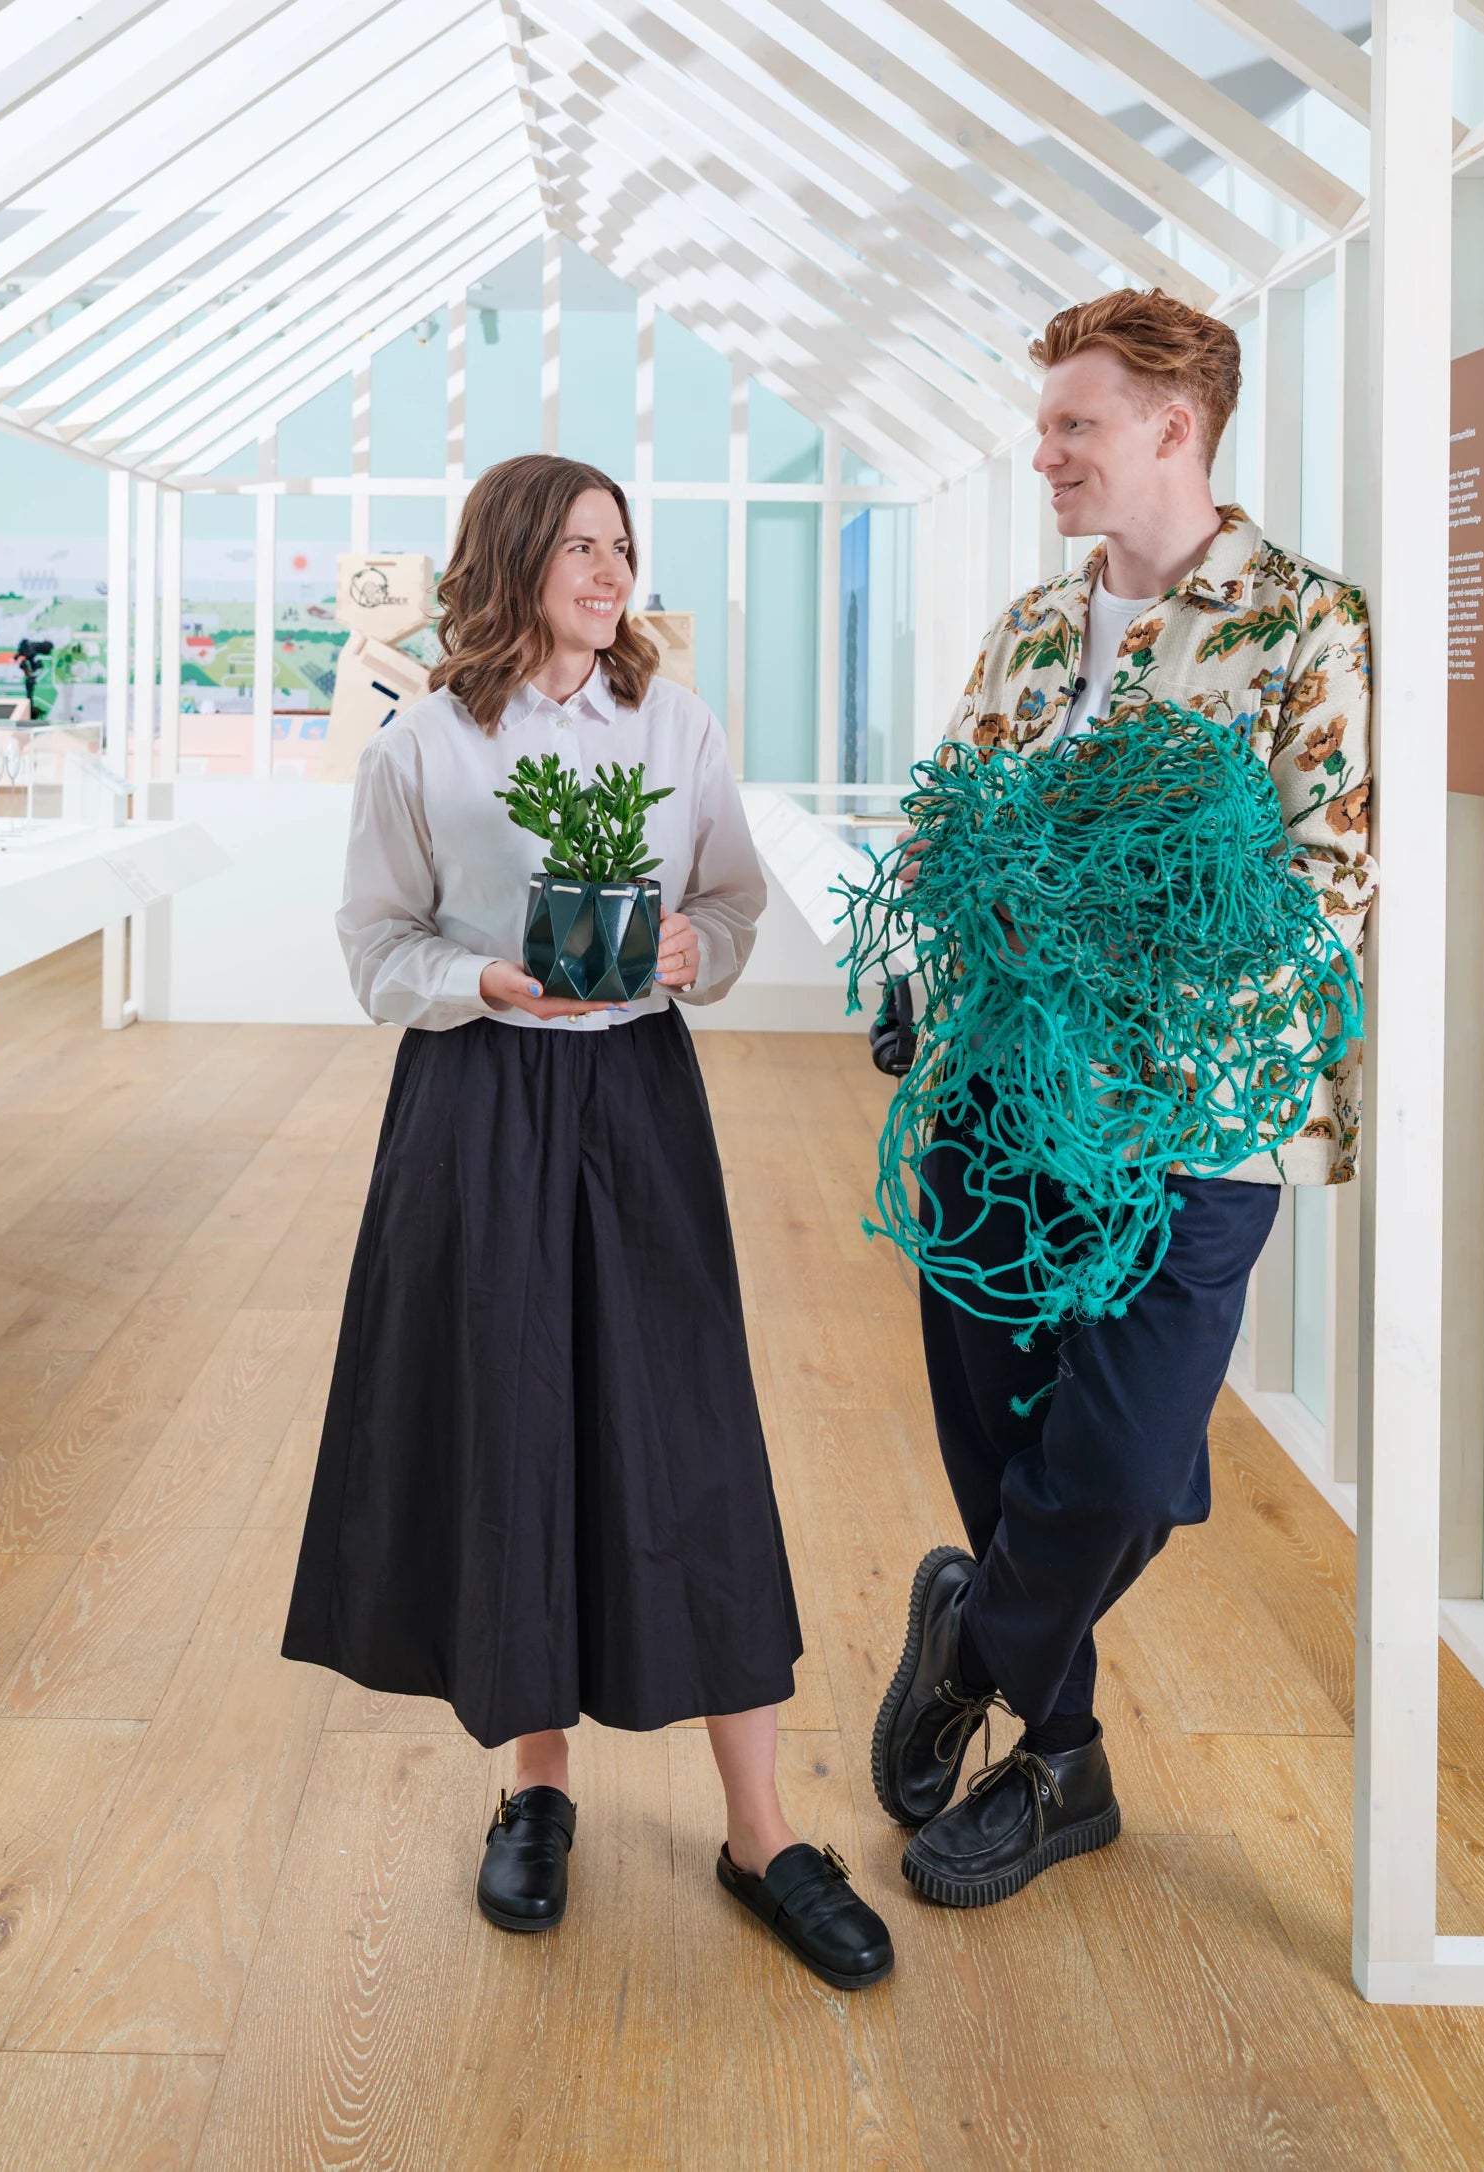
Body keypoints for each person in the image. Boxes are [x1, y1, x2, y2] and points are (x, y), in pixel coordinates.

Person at [284, 453, 893, 1989]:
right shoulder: (421, 743)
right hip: (477, 1107)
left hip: (636, 1104)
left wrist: (694, 947)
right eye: (577, 546)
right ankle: (536, 1788)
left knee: (686, 1434)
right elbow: (373, 948)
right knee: (512, 1428)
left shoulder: (672, 723)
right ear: (507, 561)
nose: (609, 572)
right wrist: (480, 981)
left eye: (621, 545)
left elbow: (737, 908)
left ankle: (761, 1831)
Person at [871, 289, 1376, 1908]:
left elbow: (1328, 890)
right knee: (1004, 1434)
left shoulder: (1310, 625)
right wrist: (930, 958)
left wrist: (1077, 917)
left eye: (1073, 426)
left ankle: (980, 1634)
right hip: (992, 1103)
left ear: (1175, 427)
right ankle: (1060, 1767)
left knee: (1120, 1459)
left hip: (1194, 1127)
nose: (1045, 455)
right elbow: (951, 826)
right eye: (1045, 427)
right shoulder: (1030, 626)